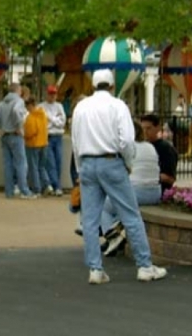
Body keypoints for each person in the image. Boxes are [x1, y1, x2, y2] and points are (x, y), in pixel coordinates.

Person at [71, 69, 167, 284]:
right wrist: (128, 163)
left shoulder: (81, 107)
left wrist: (79, 169)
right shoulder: (118, 106)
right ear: (112, 85)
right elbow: (126, 141)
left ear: (93, 85)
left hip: (87, 163)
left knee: (90, 219)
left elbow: (76, 142)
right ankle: (144, 266)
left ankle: (95, 269)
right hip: (111, 161)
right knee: (130, 214)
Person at [100, 121, 162, 256]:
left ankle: (112, 238)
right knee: (119, 208)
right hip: (155, 192)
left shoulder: (127, 149)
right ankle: (115, 234)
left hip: (136, 191)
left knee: (104, 207)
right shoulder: (150, 147)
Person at [0, 83, 36, 199]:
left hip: (5, 135)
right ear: (18, 90)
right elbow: (16, 111)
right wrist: (18, 126)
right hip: (15, 135)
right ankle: (24, 190)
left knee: (8, 164)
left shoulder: (2, 102)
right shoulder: (18, 101)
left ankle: (9, 191)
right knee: (21, 164)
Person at [140, 113, 179, 195]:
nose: (145, 132)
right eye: (142, 128)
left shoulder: (166, 149)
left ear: (157, 128)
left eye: (148, 128)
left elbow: (170, 178)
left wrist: (147, 175)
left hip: (157, 190)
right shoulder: (139, 146)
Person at [40, 84, 66, 196]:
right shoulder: (41, 106)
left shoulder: (60, 106)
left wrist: (50, 119)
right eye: (50, 94)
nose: (53, 96)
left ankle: (55, 185)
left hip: (58, 136)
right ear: (46, 94)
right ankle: (56, 186)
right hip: (48, 136)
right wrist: (55, 120)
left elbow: (62, 122)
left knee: (58, 161)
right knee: (50, 163)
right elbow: (44, 124)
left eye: (54, 94)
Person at [23, 96, 49, 196]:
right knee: (42, 166)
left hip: (33, 144)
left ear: (30, 105)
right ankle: (46, 185)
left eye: (27, 106)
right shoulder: (43, 114)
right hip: (44, 143)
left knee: (33, 167)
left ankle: (36, 188)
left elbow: (30, 132)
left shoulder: (30, 117)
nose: (26, 108)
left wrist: (24, 134)